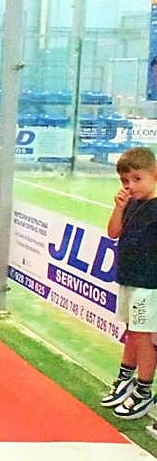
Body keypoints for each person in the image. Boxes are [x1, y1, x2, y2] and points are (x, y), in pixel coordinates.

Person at [100, 147, 157, 423]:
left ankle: (144, 389)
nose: (130, 186)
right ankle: (126, 377)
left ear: (154, 175)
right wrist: (119, 207)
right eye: (125, 181)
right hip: (128, 278)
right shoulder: (131, 203)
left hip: (148, 283)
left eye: (137, 179)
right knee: (132, 332)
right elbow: (113, 232)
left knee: (143, 336)